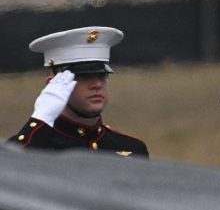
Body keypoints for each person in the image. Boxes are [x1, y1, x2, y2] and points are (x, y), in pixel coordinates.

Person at [8, 26, 149, 159]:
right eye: (83, 76)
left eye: (102, 75)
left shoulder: (133, 149)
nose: (97, 84)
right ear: (53, 84)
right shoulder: (36, 147)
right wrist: (41, 118)